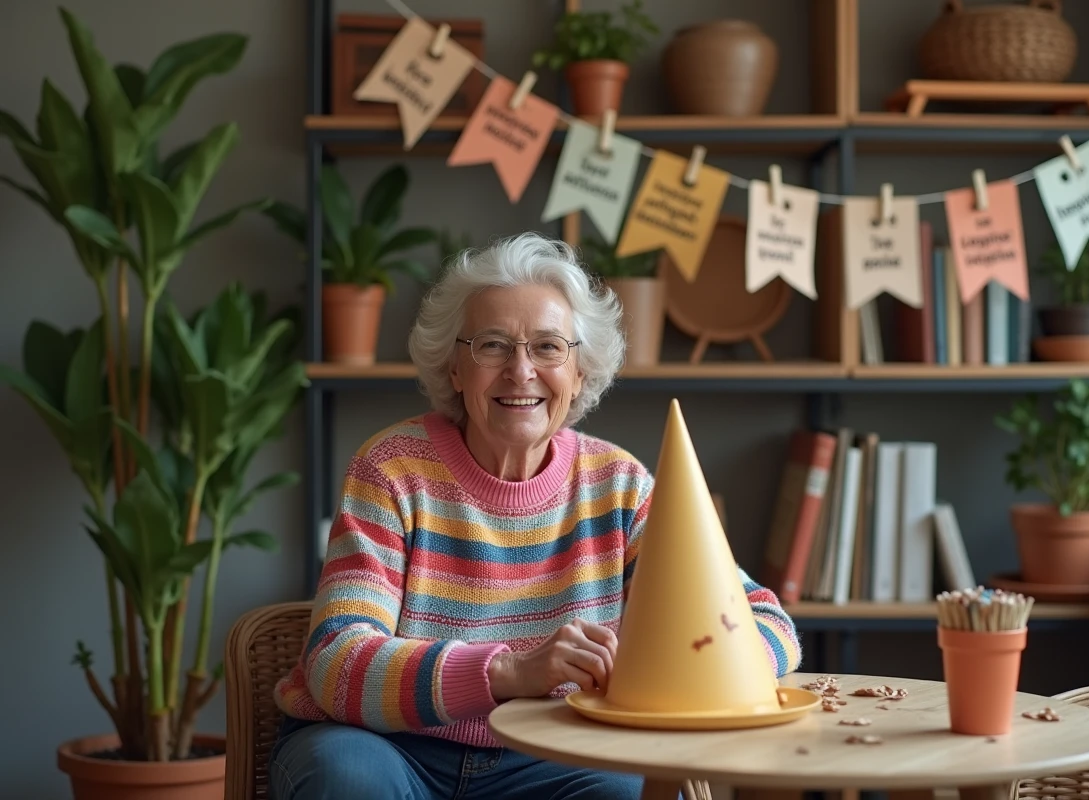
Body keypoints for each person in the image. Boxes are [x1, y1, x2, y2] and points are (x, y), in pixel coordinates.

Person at [268, 232, 803, 800]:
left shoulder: (619, 486)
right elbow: (337, 661)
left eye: (548, 347)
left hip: (554, 755)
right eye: (492, 345)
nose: (520, 370)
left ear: (579, 373)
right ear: (455, 368)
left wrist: (668, 668)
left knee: (626, 794)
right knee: (348, 779)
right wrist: (511, 672)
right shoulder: (390, 471)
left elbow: (765, 622)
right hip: (386, 746)